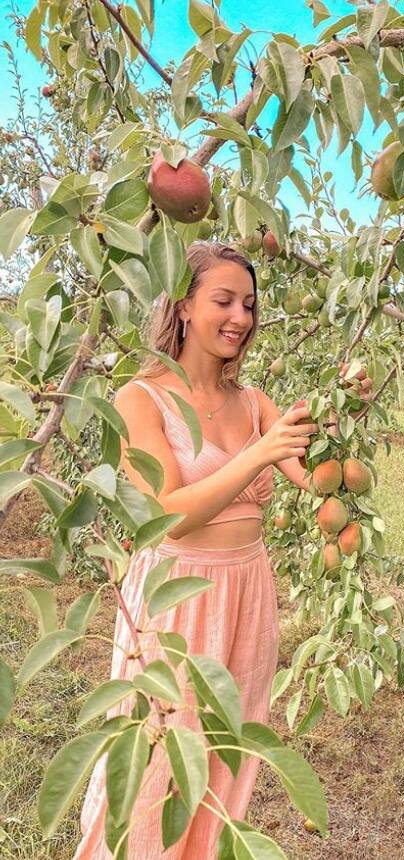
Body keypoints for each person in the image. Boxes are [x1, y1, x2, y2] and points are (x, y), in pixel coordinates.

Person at [73, 241, 319, 859]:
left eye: (250, 305)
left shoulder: (253, 401)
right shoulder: (140, 399)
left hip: (248, 594)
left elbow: (317, 482)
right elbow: (167, 516)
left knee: (224, 758)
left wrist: (341, 418)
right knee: (159, 758)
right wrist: (257, 453)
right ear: (182, 305)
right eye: (224, 300)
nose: (241, 317)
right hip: (175, 601)